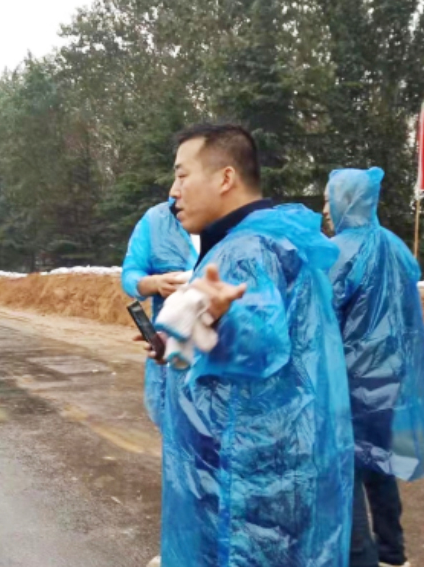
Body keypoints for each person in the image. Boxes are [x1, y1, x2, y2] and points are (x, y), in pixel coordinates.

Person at [145, 124, 354, 566]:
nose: (172, 191)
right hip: (271, 463)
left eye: (182, 176)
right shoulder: (270, 236)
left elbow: (262, 339)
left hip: (244, 481)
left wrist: (228, 319)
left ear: (224, 178)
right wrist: (178, 346)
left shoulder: (245, 249)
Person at [325, 167, 424, 567]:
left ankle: (361, 557)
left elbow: (322, 317)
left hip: (348, 384)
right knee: (380, 466)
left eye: (330, 199)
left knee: (345, 473)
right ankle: (392, 552)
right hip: (391, 382)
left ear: (345, 200)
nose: (327, 211)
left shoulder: (337, 252)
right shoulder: (398, 246)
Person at [122, 199, 198, 426]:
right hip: (171, 349)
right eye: (176, 175)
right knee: (176, 431)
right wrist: (155, 283)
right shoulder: (156, 221)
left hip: (217, 352)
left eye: (184, 176)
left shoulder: (234, 222)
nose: (175, 189)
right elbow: (130, 275)